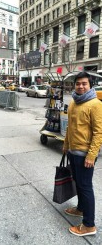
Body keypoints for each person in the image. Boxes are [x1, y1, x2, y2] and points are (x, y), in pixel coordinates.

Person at [63, 71, 102, 236]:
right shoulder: (73, 101)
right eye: (78, 83)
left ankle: (89, 225)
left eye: (84, 83)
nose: (80, 86)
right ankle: (80, 208)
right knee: (78, 182)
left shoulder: (95, 104)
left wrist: (91, 155)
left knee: (85, 187)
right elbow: (70, 127)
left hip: (85, 154)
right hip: (73, 151)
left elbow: (99, 132)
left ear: (90, 85)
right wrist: (66, 145)